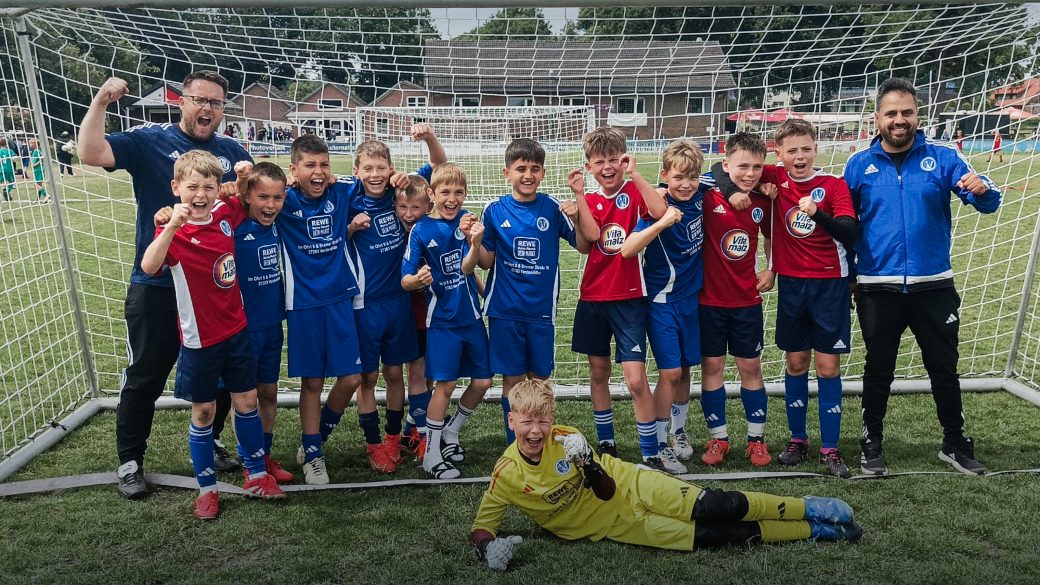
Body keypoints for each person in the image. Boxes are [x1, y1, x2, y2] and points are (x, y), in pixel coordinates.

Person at [469, 379, 862, 571]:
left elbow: (605, 490)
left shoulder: (568, 438)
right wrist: (489, 548)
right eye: (526, 422)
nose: (536, 430)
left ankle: (806, 506)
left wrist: (587, 460)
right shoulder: (506, 474)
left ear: (552, 420)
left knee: (715, 506)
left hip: (631, 483)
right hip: (619, 526)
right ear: (511, 421)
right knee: (718, 536)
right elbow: (481, 526)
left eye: (543, 420)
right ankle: (813, 530)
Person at [78, 72, 253, 499]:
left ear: (223, 109)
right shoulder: (148, 141)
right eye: (198, 100)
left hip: (212, 292)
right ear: (182, 102)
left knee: (222, 375)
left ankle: (210, 440)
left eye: (215, 102)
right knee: (146, 375)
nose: (206, 108)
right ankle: (130, 460)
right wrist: (101, 101)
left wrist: (244, 182)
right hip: (156, 283)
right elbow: (91, 152)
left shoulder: (231, 151)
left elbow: (251, 202)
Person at [845, 78, 1001, 476]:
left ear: (918, 115)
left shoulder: (944, 158)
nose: (900, 120)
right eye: (891, 113)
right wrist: (850, 277)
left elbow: (988, 201)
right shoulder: (858, 165)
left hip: (934, 285)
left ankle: (954, 442)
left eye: (907, 112)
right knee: (878, 367)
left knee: (943, 368)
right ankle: (871, 442)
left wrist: (981, 188)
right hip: (878, 287)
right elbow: (844, 227)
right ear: (877, 118)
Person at [140, 151, 285, 519]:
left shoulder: (224, 214)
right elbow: (150, 265)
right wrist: (170, 224)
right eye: (192, 187)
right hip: (199, 340)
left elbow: (241, 197)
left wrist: (242, 175)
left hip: (237, 330)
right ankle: (206, 488)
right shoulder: (171, 230)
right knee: (204, 412)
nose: (200, 194)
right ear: (176, 188)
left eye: (208, 186)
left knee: (247, 401)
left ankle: (256, 475)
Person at [717, 120, 858, 477]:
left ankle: (830, 448)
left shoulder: (833, 185)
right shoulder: (773, 179)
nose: (799, 156)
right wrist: (735, 192)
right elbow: (719, 170)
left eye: (806, 149)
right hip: (793, 287)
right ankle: (797, 440)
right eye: (791, 150)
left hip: (830, 285)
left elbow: (849, 231)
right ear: (777, 153)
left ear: (816, 149)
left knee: (828, 367)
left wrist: (818, 214)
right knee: (796, 363)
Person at [277, 134, 398, 485]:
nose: (318, 172)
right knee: (313, 381)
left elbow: (378, 183)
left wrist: (398, 176)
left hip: (343, 299)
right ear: (294, 169)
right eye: (310, 165)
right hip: (303, 305)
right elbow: (249, 194)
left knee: (351, 378)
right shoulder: (281, 201)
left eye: (324, 165)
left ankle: (318, 436)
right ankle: (313, 455)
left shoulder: (343, 192)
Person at [567, 127, 669, 467]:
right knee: (598, 372)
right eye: (600, 162)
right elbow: (591, 238)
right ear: (589, 166)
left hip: (629, 299)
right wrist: (579, 197)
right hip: (593, 298)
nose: (608, 167)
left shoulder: (633, 192)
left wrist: (636, 174)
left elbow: (660, 211)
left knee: (636, 379)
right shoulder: (590, 200)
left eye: (614, 159)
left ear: (623, 159)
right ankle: (607, 442)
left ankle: (650, 451)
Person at [346, 124, 445, 472]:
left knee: (396, 374)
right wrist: (350, 228)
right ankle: (373, 442)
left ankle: (397, 436)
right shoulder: (349, 199)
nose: (375, 174)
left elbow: (437, 170)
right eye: (367, 168)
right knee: (367, 379)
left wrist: (430, 138)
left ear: (391, 169)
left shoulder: (397, 191)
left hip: (400, 302)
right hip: (364, 305)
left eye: (381, 168)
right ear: (356, 171)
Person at [477, 138, 585, 444]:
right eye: (520, 168)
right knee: (512, 380)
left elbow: (582, 244)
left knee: (540, 380)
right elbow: (485, 262)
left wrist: (576, 216)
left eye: (534, 169)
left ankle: (539, 438)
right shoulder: (494, 210)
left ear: (543, 173)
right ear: (506, 172)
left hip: (540, 311)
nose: (527, 175)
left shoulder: (551, 208)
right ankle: (515, 444)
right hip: (505, 310)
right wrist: (474, 242)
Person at [618, 139, 709, 474]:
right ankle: (657, 442)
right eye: (678, 178)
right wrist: (661, 219)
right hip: (661, 301)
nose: (686, 184)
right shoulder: (657, 206)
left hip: (691, 298)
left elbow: (723, 179)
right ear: (665, 176)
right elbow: (627, 250)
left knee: (685, 369)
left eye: (692, 177)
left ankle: (678, 431)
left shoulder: (703, 193)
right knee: (669, 372)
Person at [401, 163, 492, 479]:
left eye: (458, 192)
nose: (451, 199)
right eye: (444, 192)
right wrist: (417, 280)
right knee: (446, 385)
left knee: (483, 382)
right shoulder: (422, 230)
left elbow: (470, 268)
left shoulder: (468, 221)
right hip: (442, 321)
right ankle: (431, 454)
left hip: (472, 318)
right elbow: (405, 278)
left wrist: (474, 241)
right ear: (431, 194)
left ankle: (452, 431)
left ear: (465, 194)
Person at [696, 133, 774, 468]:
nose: (751, 173)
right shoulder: (706, 191)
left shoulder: (764, 196)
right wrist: (729, 188)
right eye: (743, 166)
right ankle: (719, 438)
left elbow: (772, 235)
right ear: (726, 164)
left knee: (750, 367)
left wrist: (772, 269)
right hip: (709, 301)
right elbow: (682, 175)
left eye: (757, 166)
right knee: (712, 367)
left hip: (746, 301)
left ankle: (756, 440)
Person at [395, 174, 435, 455]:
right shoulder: (393, 229)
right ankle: (423, 437)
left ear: (428, 206)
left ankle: (413, 426)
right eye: (402, 208)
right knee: (418, 372)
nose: (408, 214)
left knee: (429, 373)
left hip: (438, 313)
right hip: (408, 314)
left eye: (415, 208)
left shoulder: (433, 228)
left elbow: (438, 167)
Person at [28, 137, 48, 203]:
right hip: (40, 169)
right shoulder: (36, 151)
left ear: (35, 144)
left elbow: (42, 158)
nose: (29, 144)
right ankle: (37, 199)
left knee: (35, 184)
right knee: (39, 184)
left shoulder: (36, 151)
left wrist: (36, 164)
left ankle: (46, 195)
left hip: (38, 169)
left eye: (31, 143)